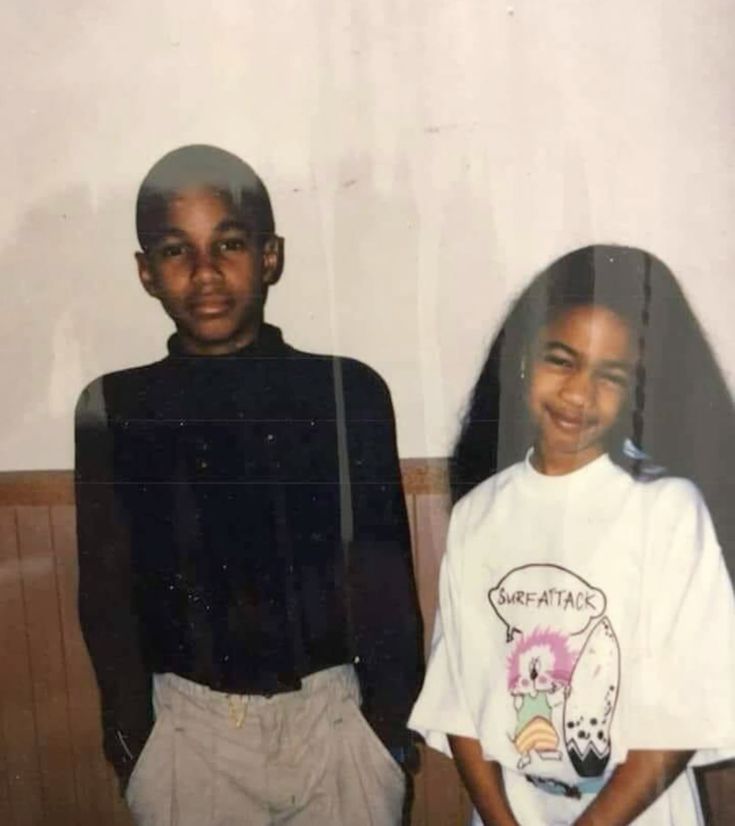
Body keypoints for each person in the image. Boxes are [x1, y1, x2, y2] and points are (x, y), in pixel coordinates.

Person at [75, 144, 423, 826]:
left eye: (228, 243)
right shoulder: (114, 406)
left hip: (335, 724)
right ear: (146, 272)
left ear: (269, 256)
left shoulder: (344, 390)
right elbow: (105, 591)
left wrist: (385, 733)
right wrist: (133, 744)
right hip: (187, 734)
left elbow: (383, 578)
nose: (205, 272)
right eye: (177, 251)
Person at [408, 244, 735, 825]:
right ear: (524, 359)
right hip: (513, 807)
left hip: (639, 810)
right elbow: (460, 704)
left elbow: (681, 713)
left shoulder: (666, 510)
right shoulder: (479, 514)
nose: (580, 395)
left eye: (611, 376)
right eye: (562, 360)